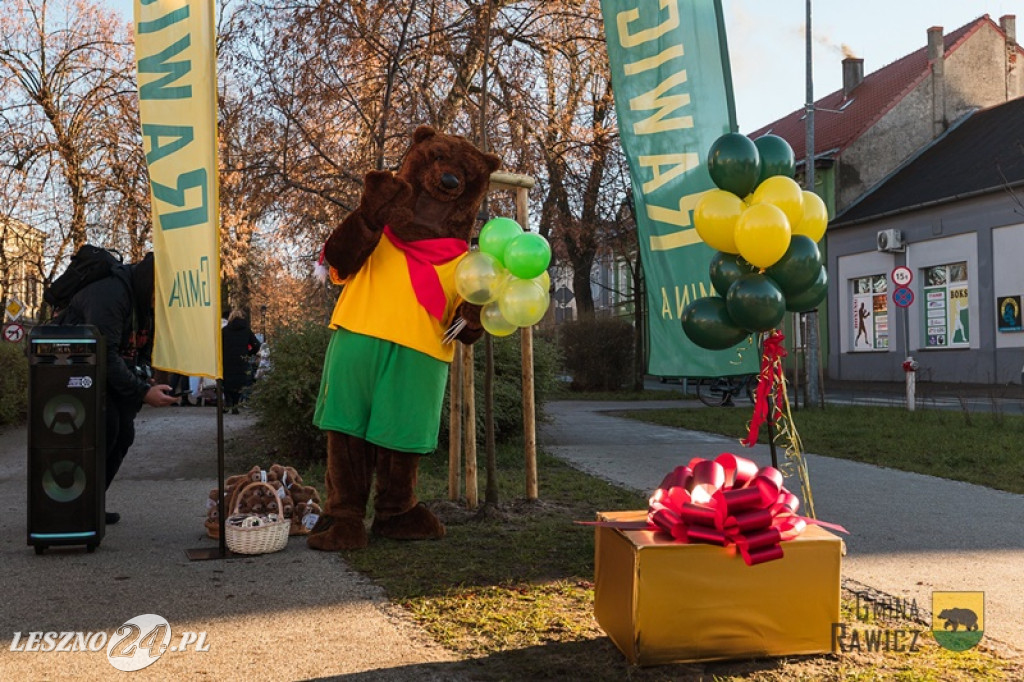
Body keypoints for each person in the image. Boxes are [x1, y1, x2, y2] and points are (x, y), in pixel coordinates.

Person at [54, 252, 180, 524]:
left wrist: (145, 377)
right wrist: (142, 392)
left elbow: (145, 347)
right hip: (74, 370)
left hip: (106, 373)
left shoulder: (144, 304)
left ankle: (90, 503)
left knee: (123, 433)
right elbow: (104, 354)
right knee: (106, 428)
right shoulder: (111, 296)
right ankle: (74, 505)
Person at [221, 309, 261, 414]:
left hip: (227, 360)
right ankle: (235, 404)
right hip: (242, 360)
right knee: (239, 383)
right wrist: (249, 354)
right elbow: (257, 345)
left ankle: (228, 402)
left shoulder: (225, 331)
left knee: (227, 382)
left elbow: (218, 346)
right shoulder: (246, 330)